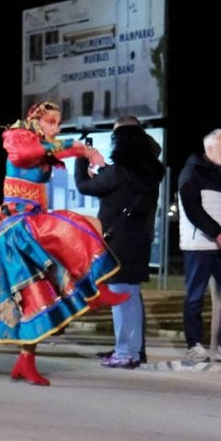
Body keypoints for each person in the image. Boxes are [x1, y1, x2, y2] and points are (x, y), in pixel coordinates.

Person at [0, 101, 128, 385]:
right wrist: (76, 147)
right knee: (77, 226)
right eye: (52, 122)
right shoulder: (17, 138)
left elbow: (63, 150)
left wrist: (88, 153)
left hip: (30, 224)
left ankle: (25, 362)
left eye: (58, 123)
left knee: (36, 299)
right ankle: (96, 290)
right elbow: (29, 153)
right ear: (36, 121)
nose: (57, 127)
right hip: (18, 228)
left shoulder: (42, 143)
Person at [73, 116, 166, 369]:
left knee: (121, 296)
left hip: (118, 241)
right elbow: (121, 185)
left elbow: (84, 186)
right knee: (130, 295)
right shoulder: (150, 171)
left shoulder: (118, 172)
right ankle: (132, 349)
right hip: (139, 239)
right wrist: (103, 168)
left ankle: (127, 351)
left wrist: (82, 158)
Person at [176, 129, 221, 364]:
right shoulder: (191, 173)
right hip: (199, 245)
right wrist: (218, 234)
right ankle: (194, 345)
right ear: (210, 149)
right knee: (195, 296)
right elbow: (193, 210)